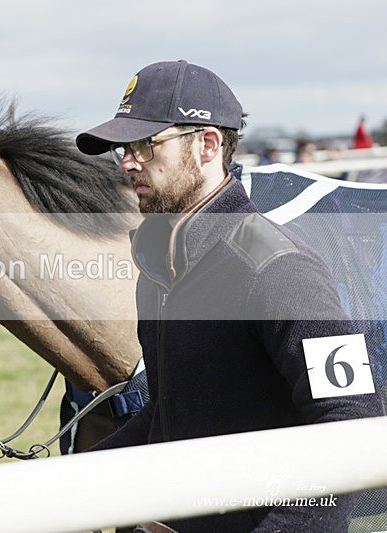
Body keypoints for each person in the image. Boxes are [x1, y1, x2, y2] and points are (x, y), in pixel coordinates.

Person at [76, 60, 383, 532]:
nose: (128, 162)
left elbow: (351, 426)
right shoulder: (159, 270)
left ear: (208, 144)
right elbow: (172, 409)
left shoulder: (280, 268)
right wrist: (62, 482)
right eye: (122, 148)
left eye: (144, 144)